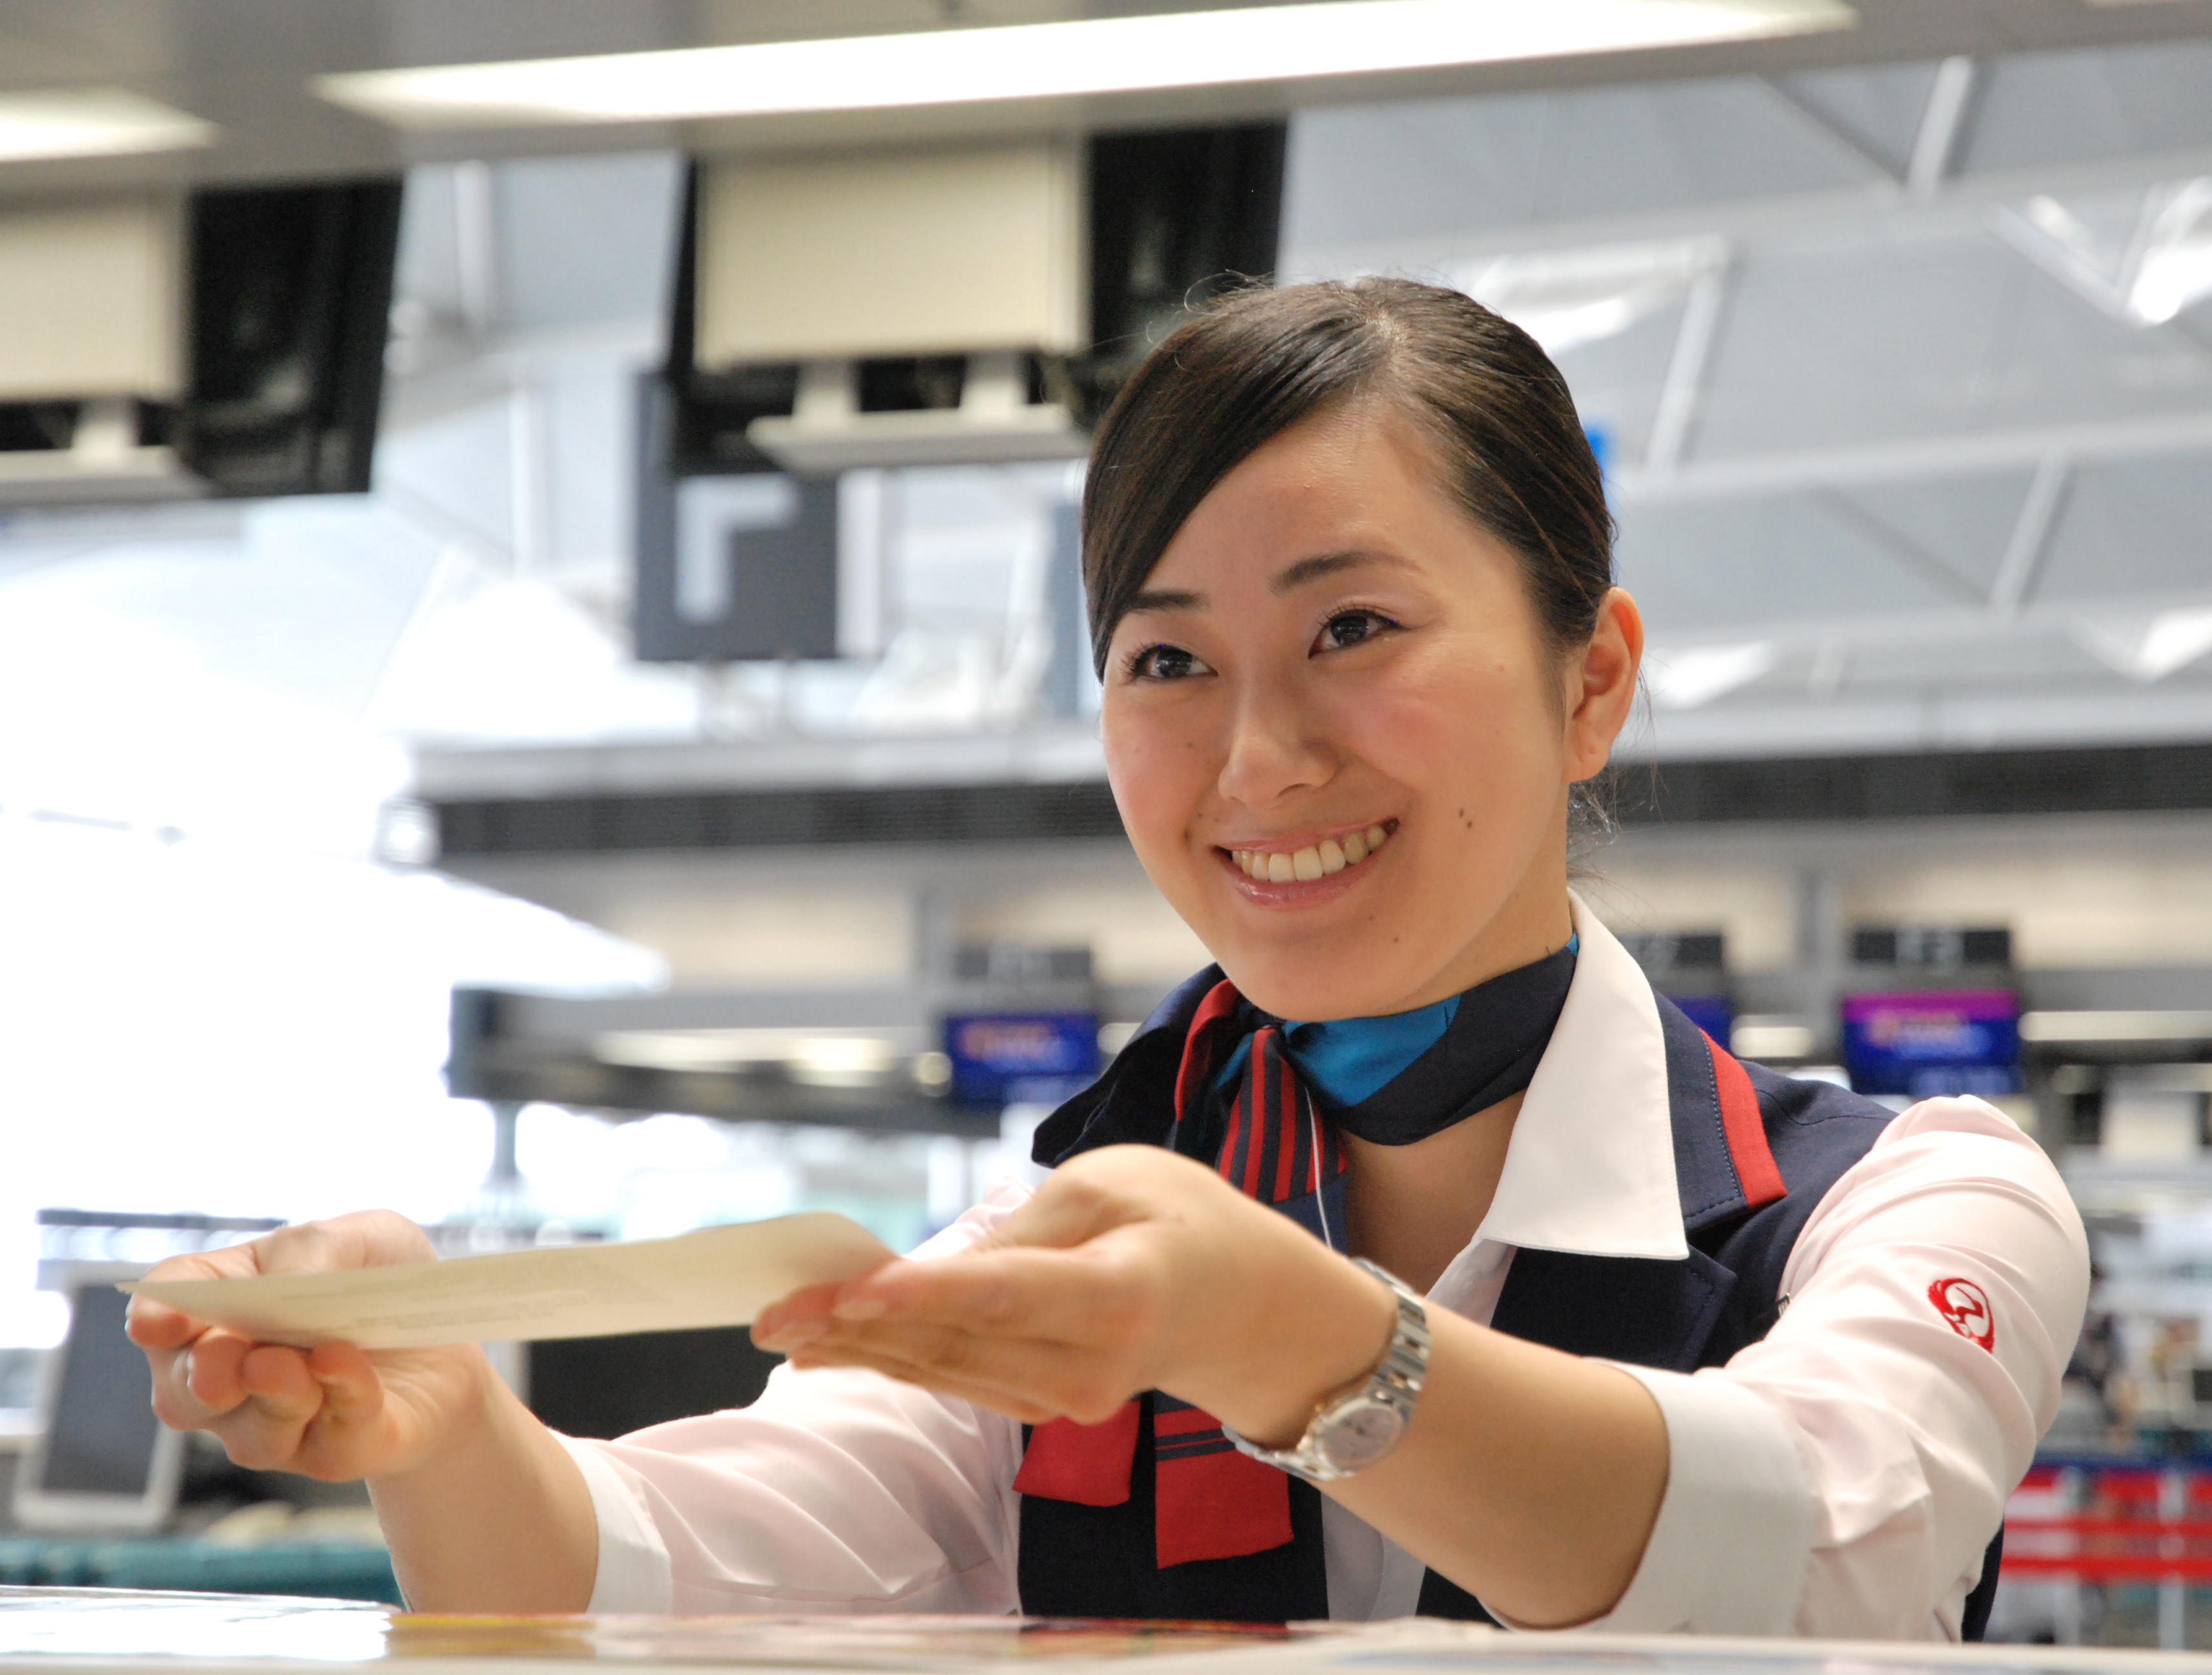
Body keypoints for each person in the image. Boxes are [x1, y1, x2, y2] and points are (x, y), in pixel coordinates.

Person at [130, 279, 2087, 1640]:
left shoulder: (1911, 1201)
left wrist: (1296, 1342)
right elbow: (673, 1569)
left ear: (1594, 684)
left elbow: (1814, 1555)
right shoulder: (1077, 1261)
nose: (1257, 761)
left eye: (1354, 630)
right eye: (1167, 661)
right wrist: (449, 1426)